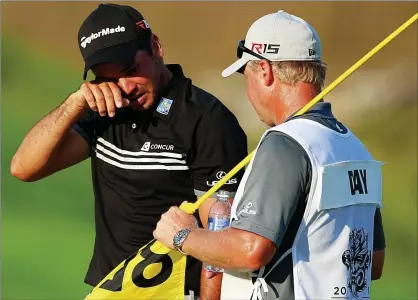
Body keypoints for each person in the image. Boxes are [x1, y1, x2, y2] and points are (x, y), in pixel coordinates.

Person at [10, 3, 248, 299]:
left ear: (156, 47)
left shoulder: (206, 119)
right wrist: (74, 104)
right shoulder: (102, 110)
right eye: (107, 79)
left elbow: (219, 235)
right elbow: (24, 167)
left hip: (174, 293)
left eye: (131, 70)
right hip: (111, 292)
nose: (124, 88)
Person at [153, 10, 386, 300]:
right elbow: (372, 263)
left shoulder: (286, 143)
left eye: (246, 74)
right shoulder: (356, 148)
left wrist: (183, 236)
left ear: (265, 71)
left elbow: (251, 250)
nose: (248, 90)